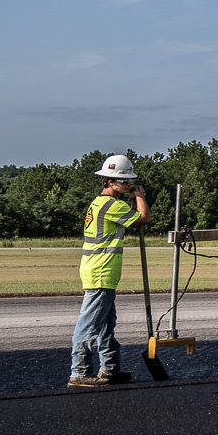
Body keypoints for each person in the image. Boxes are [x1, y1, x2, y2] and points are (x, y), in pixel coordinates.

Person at [69, 155, 151, 387]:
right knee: (90, 324)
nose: (127, 185)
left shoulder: (98, 203)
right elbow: (144, 219)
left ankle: (110, 368)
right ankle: (79, 372)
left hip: (99, 270)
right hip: (101, 271)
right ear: (110, 182)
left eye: (128, 182)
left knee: (106, 323)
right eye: (123, 181)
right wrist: (140, 197)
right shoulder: (112, 205)